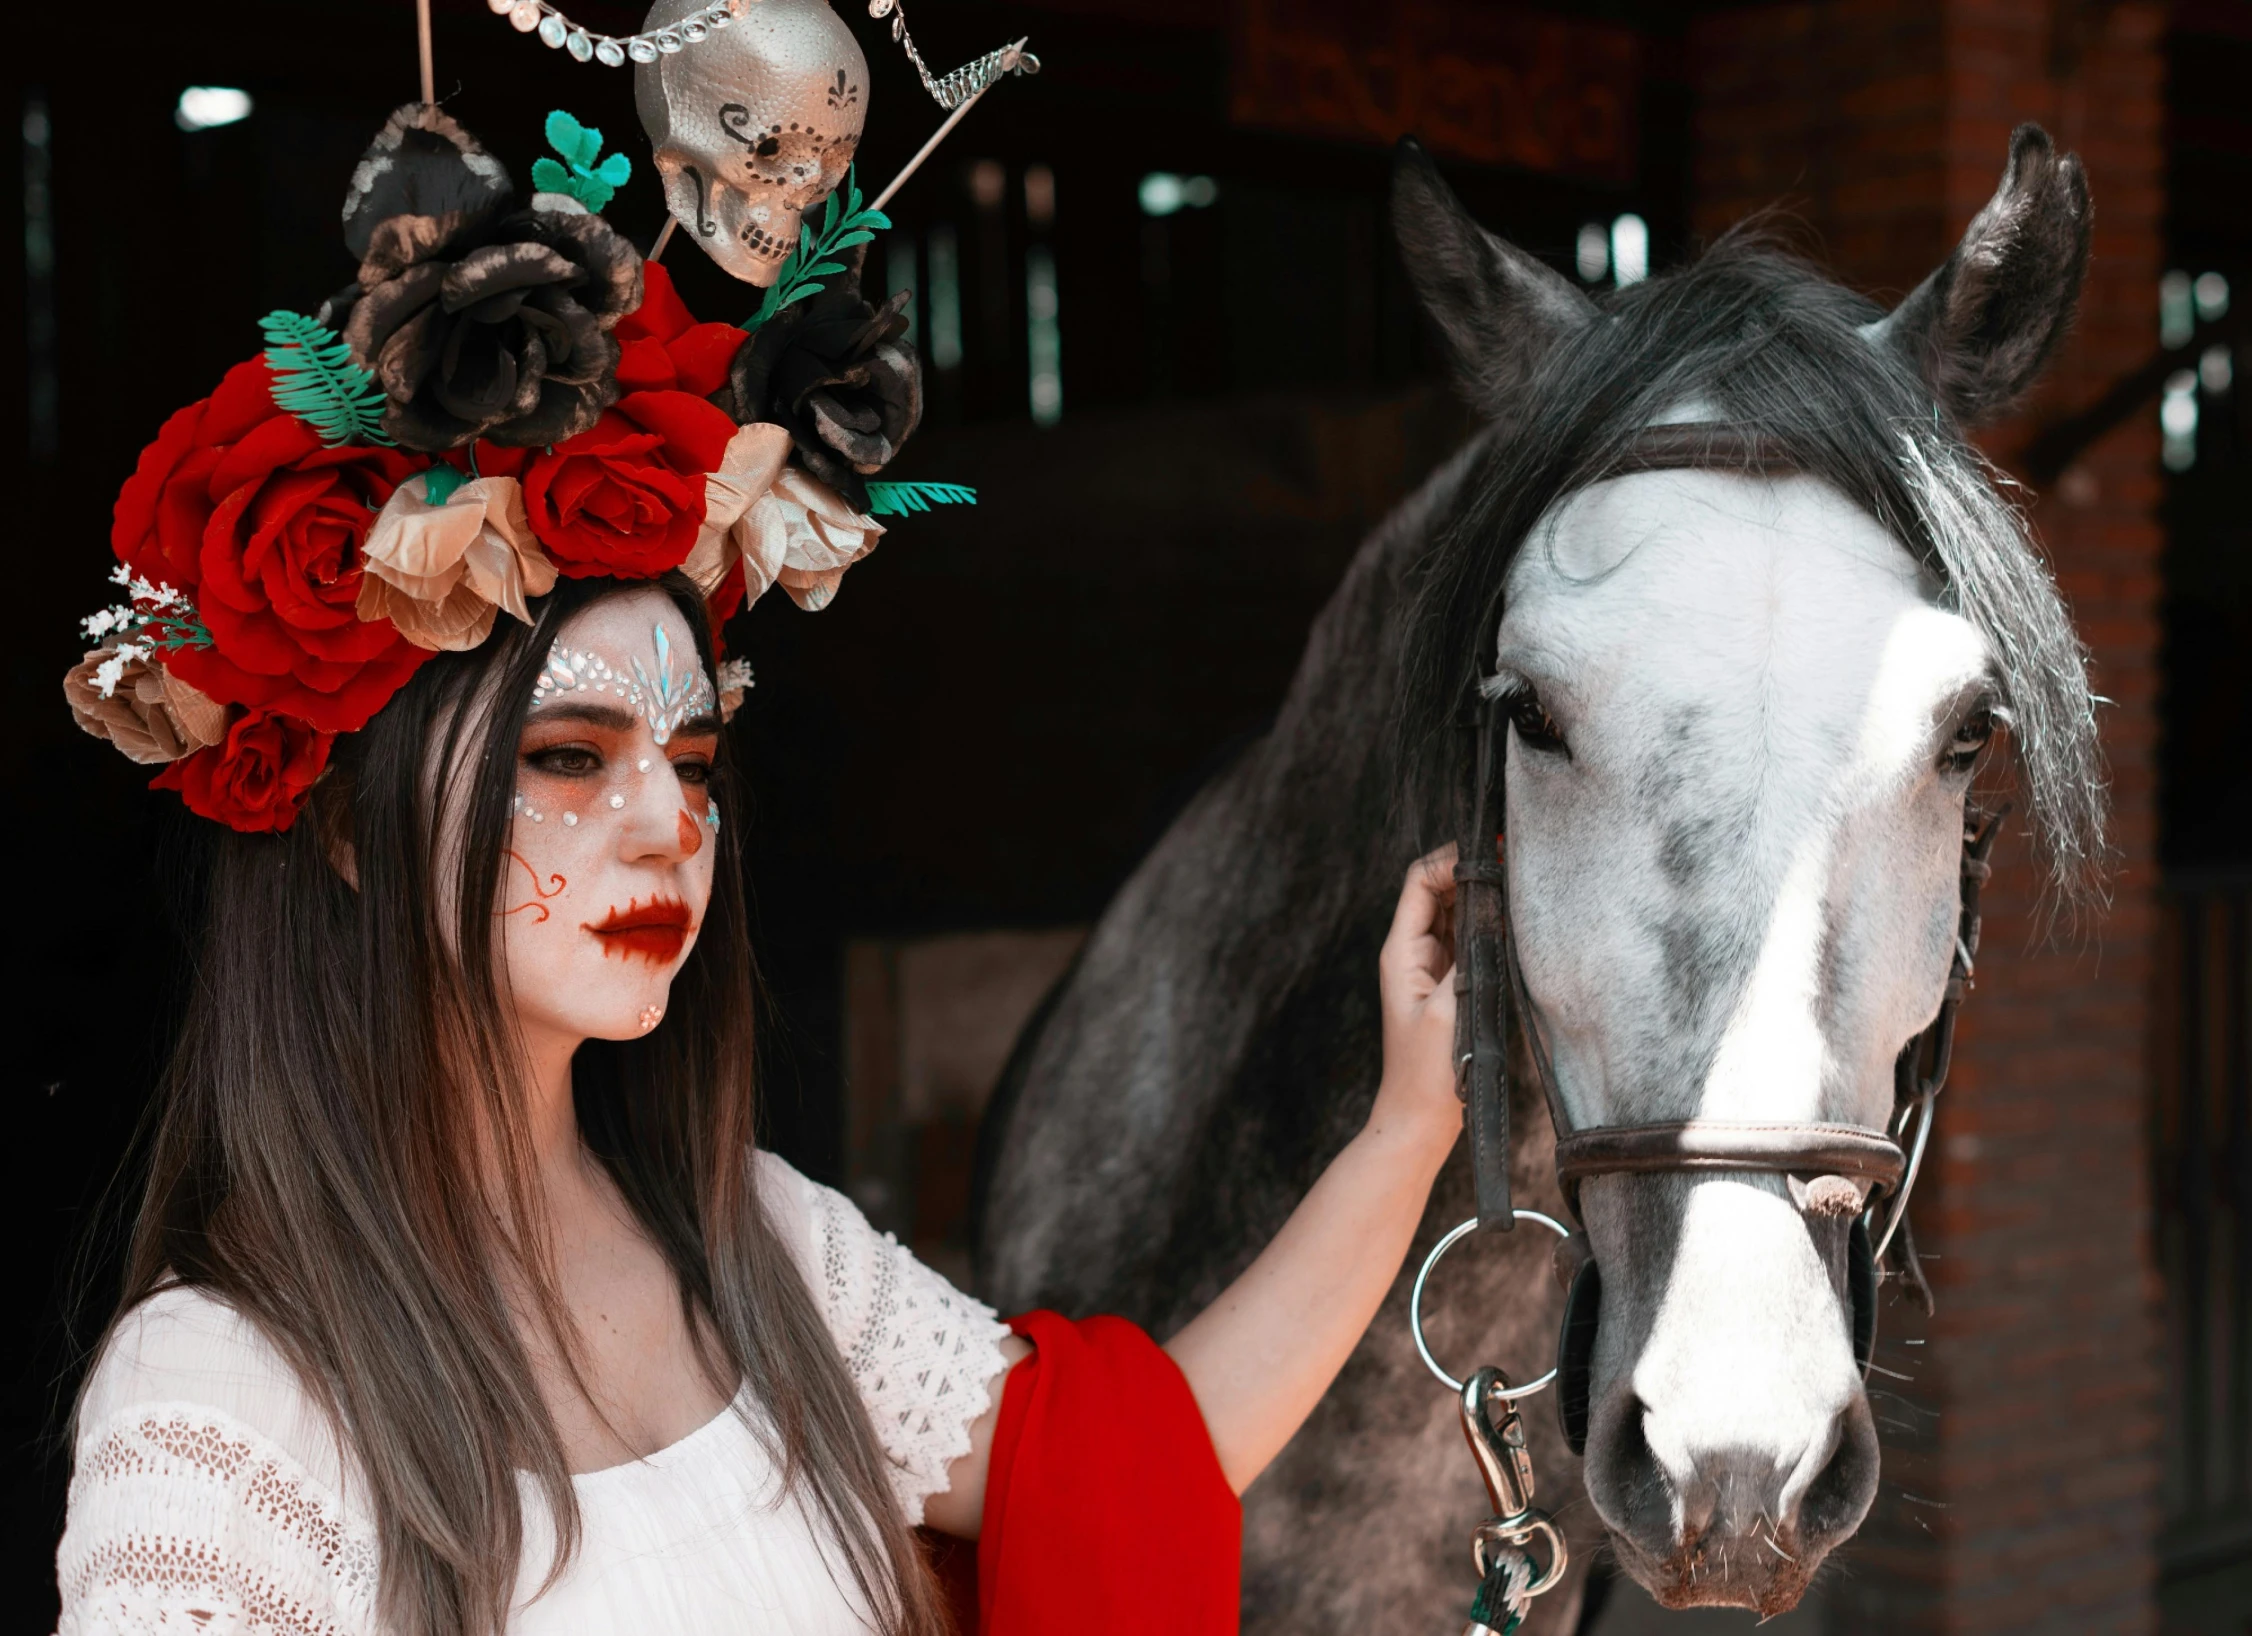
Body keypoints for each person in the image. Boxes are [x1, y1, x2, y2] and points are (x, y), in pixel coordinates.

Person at [55, 567, 1471, 1634]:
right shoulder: (224, 1393)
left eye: (688, 765)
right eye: (570, 755)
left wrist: (1411, 1126)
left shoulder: (751, 1240)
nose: (669, 825)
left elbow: (1126, 1466)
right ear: (351, 824)